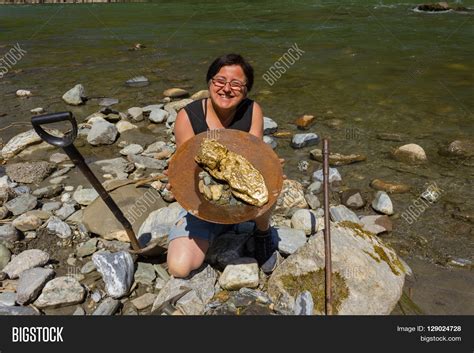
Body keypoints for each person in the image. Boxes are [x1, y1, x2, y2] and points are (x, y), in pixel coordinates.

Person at [167, 53, 279, 278]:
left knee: (268, 183)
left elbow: (253, 157)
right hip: (203, 201)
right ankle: (215, 227)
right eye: (220, 81)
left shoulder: (252, 110)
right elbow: (188, 169)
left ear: (246, 89)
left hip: (242, 197)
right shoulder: (188, 117)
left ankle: (262, 230)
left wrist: (269, 163)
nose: (227, 89)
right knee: (179, 268)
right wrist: (176, 180)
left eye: (236, 84)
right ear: (209, 82)